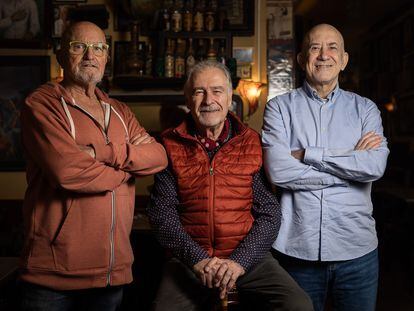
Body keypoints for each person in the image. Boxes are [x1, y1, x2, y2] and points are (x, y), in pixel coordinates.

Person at [19, 21, 168, 311]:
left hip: (111, 274)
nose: (90, 55)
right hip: (52, 277)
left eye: (99, 48)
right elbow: (67, 172)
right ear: (61, 55)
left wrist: (100, 153)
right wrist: (128, 171)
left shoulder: (121, 111)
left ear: (107, 57)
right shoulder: (42, 105)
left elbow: (159, 156)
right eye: (79, 47)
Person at [148, 60, 313, 311]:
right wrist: (199, 260)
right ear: (188, 98)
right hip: (189, 260)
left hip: (246, 258)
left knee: (298, 305)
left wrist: (238, 262)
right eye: (199, 91)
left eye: (216, 91)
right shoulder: (169, 145)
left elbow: (269, 213)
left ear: (229, 98)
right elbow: (162, 215)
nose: (208, 100)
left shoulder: (251, 143)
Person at [262, 24, 389, 311]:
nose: (323, 55)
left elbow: (374, 165)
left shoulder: (366, 109)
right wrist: (349, 167)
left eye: (332, 47)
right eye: (315, 47)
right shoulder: (278, 108)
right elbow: (278, 171)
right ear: (300, 58)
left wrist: (308, 154)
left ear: (344, 59)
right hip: (296, 252)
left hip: (357, 252)